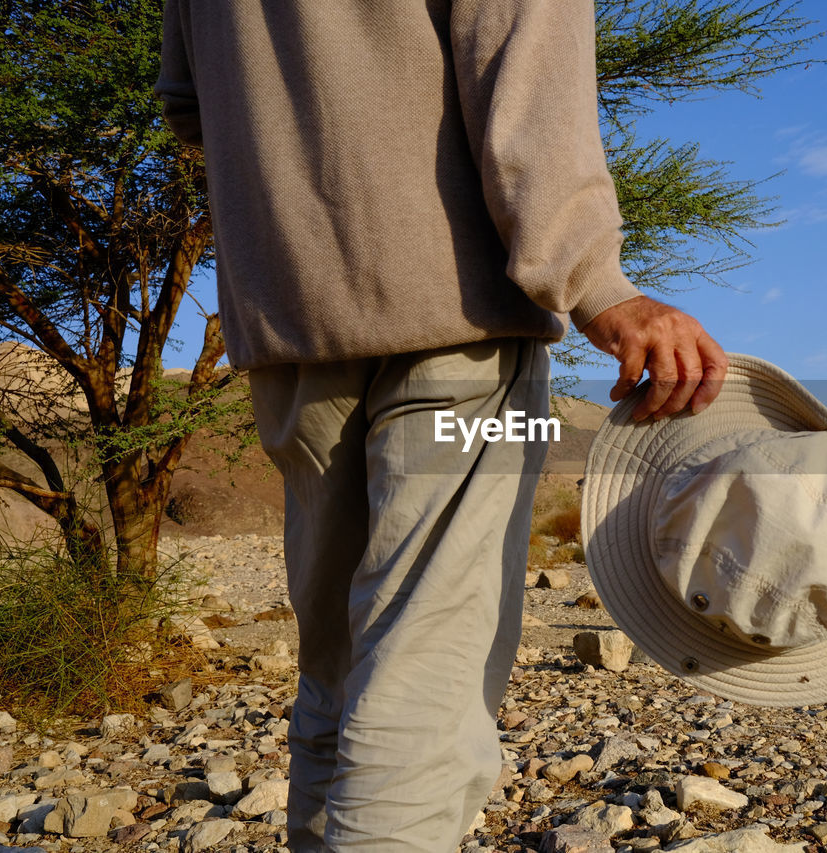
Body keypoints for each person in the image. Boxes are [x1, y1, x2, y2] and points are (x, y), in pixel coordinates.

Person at [155, 1, 727, 850]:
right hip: (456, 328)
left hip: (288, 332)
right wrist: (598, 284)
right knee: (426, 674)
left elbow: (187, 105)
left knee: (339, 671)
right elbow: (525, 79)